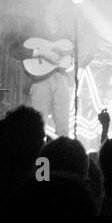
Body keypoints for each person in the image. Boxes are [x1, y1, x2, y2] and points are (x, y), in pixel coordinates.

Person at [25, 10, 75, 138]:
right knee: (38, 126)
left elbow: (71, 52)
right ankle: (37, 155)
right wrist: (42, 53)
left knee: (63, 125)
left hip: (62, 79)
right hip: (40, 80)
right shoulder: (33, 28)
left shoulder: (65, 29)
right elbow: (15, 50)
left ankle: (62, 153)